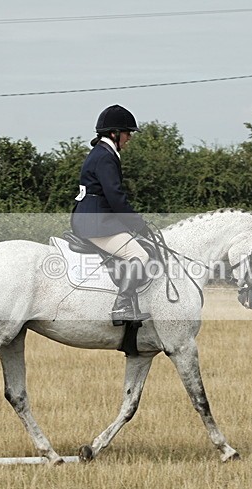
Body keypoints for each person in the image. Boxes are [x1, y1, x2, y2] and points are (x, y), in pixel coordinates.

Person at [71, 104, 152, 326]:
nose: (129, 138)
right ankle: (122, 305)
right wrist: (138, 224)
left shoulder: (100, 152)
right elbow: (116, 198)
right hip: (96, 223)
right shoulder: (106, 157)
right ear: (115, 133)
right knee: (140, 256)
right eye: (127, 133)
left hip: (93, 218)